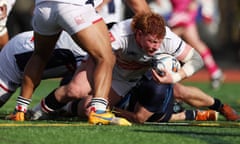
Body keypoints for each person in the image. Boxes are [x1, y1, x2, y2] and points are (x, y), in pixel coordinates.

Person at [31, 12, 205, 124]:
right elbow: (99, 56)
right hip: (104, 64)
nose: (155, 47)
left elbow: (197, 59)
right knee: (75, 90)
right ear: (138, 34)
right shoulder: (121, 33)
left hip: (126, 79)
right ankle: (37, 111)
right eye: (152, 41)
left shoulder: (168, 38)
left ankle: (63, 110)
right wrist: (94, 87)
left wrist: (175, 77)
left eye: (158, 42)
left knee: (86, 109)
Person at [8, 0, 151, 122]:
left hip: (44, 7)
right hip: (74, 7)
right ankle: (98, 111)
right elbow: (140, 8)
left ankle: (20, 109)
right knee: (105, 57)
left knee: (39, 55)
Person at [0, 30, 87, 108]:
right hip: (14, 58)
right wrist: (23, 107)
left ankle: (65, 108)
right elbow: (75, 89)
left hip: (30, 48)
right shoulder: (80, 44)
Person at [167, 0, 224, 89]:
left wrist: (204, 13)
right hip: (177, 17)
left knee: (168, 43)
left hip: (184, 16)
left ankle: (215, 72)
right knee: (194, 43)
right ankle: (215, 72)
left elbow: (194, 5)